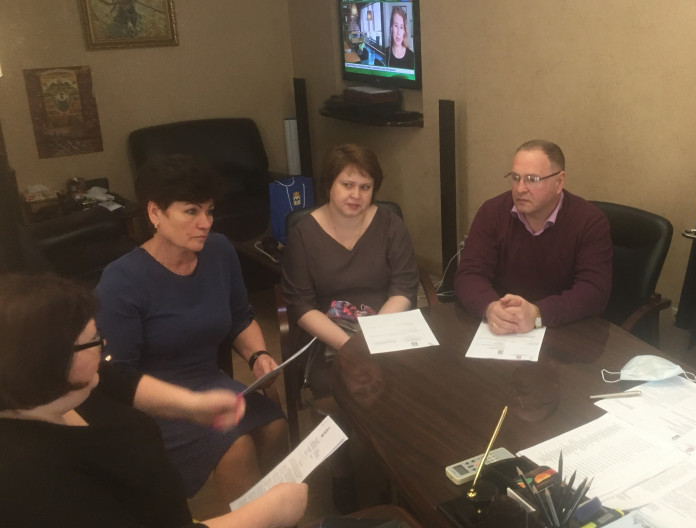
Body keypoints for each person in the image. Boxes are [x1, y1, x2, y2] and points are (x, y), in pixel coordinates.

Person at [0, 272, 308, 528]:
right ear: (52, 361)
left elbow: (120, 381)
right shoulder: (31, 479)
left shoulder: (66, 388)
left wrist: (192, 406)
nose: (103, 345)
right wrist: (269, 512)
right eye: (92, 341)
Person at [95, 155, 288, 502]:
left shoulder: (219, 251)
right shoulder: (122, 280)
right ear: (155, 213)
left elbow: (240, 317)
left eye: (209, 211)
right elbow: (117, 377)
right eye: (191, 211)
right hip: (155, 400)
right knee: (237, 447)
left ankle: (272, 513)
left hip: (209, 380)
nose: (205, 223)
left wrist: (258, 355)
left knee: (275, 427)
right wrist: (190, 405)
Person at [455, 139, 613, 334]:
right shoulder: (492, 212)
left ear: (559, 182)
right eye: (515, 177)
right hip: (503, 331)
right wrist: (490, 307)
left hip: (566, 333)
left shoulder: (589, 221)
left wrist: (538, 314)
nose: (520, 188)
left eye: (532, 179)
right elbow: (469, 274)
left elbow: (594, 292)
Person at [281, 144, 419, 352]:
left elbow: (404, 288)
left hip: (386, 329)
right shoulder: (302, 234)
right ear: (329, 185)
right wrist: (350, 347)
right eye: (347, 185)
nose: (356, 195)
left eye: (365, 187)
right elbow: (301, 305)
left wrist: (375, 337)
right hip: (328, 337)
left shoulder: (391, 225)